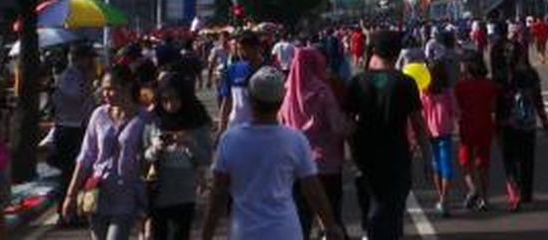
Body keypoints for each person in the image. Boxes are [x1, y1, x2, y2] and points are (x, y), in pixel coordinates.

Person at [202, 67, 345, 240]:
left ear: (250, 99)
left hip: (245, 232)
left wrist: (207, 235)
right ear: (281, 100)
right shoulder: (295, 139)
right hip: (285, 230)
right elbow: (313, 189)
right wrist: (330, 225)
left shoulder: (230, 139)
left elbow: (218, 193)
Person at [344, 30, 431, 239]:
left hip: (364, 156)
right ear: (397, 53)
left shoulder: (358, 82)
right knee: (392, 211)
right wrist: (428, 158)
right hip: (396, 155)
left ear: (374, 51)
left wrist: (352, 151)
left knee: (372, 207)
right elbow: (418, 125)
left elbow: (347, 125)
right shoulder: (405, 82)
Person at [63, 64, 149, 240]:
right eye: (103, 89)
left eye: (111, 89)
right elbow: (86, 156)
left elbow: (152, 156)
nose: (106, 94)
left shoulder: (145, 118)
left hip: (127, 193)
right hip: (97, 192)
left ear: (127, 86)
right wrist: (71, 195)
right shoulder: (98, 115)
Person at [279, 46, 348, 240]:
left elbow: (281, 125)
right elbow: (337, 127)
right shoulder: (322, 91)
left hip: (295, 164)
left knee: (301, 219)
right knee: (331, 217)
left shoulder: (288, 93)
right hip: (326, 162)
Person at [143, 73, 212, 240]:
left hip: (184, 190)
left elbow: (206, 158)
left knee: (179, 234)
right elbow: (144, 155)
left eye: (175, 99)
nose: (170, 105)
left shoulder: (197, 120)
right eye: (165, 100)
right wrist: (157, 147)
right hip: (158, 187)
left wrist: (189, 143)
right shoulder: (154, 120)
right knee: (158, 234)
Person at [498, 43, 548, 212]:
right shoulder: (532, 73)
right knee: (527, 160)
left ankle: (515, 193)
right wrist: (544, 121)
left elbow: (499, 101)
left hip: (509, 123)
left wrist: (498, 121)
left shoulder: (505, 75)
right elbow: (538, 99)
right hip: (528, 123)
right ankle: (527, 195)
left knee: (510, 160)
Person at [52, 43, 97, 224]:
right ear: (79, 58)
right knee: (69, 173)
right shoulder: (68, 77)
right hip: (69, 129)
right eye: (89, 59)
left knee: (81, 171)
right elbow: (78, 97)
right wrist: (89, 80)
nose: (92, 63)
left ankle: (75, 210)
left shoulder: (79, 76)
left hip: (80, 127)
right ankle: (64, 214)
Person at [454, 51, 497, 211]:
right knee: (483, 164)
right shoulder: (489, 84)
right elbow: (493, 107)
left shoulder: (460, 86)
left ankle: (473, 189)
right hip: (485, 126)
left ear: (468, 66)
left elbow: (457, 108)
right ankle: (485, 199)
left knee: (465, 162)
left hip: (467, 126)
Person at [421, 61, 457, 217]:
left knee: (436, 164)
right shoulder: (447, 90)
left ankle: (440, 196)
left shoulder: (424, 91)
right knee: (446, 164)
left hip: (430, 130)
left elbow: (421, 113)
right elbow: (454, 109)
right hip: (445, 129)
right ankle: (445, 198)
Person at [218, 31, 267, 135]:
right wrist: (221, 128)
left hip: (261, 130)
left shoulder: (268, 71)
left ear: (257, 48)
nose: (241, 52)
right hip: (235, 128)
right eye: (239, 48)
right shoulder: (232, 69)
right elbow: (226, 102)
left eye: (245, 49)